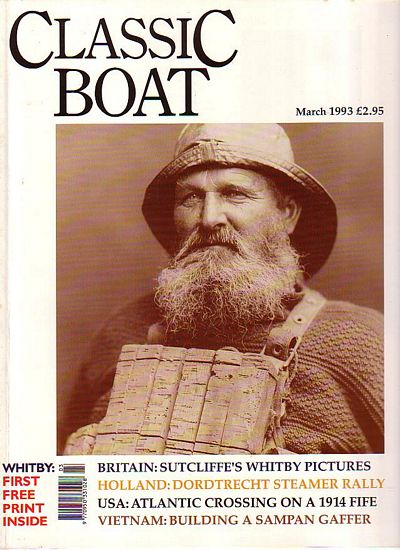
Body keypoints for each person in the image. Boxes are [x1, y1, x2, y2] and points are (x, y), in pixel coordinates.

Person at [63, 123, 383, 455]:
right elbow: (66, 481)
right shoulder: (120, 334)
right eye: (191, 198)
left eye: (234, 193)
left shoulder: (359, 342)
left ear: (287, 214)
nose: (209, 218)